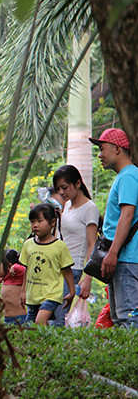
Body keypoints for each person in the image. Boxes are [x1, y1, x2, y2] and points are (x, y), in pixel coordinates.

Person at [89, 128, 138, 328]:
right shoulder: (126, 176)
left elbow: (127, 216)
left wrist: (113, 252)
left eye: (102, 149)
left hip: (126, 258)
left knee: (128, 319)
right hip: (120, 259)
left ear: (117, 149)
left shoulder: (129, 176)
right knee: (119, 319)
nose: (99, 155)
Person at [51, 165, 99, 327]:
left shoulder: (89, 208)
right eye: (59, 189)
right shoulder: (67, 207)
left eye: (64, 187)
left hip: (73, 268)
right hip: (57, 267)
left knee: (58, 318)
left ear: (78, 183)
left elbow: (92, 244)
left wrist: (88, 277)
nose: (62, 192)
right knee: (51, 315)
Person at [20, 203, 75, 325]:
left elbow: (67, 270)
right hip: (33, 295)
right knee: (30, 328)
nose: (35, 225)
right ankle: (46, 343)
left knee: (40, 322)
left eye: (40, 221)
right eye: (32, 221)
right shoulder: (28, 244)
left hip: (51, 294)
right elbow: (27, 270)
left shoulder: (59, 246)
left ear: (53, 222)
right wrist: (23, 291)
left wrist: (72, 292)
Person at [0, 249, 27, 326]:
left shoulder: (16, 274)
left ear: (9, 265)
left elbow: (25, 270)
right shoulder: (6, 277)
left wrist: (15, 267)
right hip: (7, 319)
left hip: (19, 319)